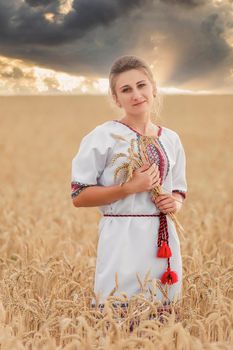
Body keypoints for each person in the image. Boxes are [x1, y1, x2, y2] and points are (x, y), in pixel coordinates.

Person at [71, 55, 187, 320]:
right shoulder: (103, 136)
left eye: (141, 85)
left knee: (163, 324)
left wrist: (175, 202)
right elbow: (78, 195)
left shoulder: (170, 139)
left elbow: (179, 188)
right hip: (121, 240)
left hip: (163, 241)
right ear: (116, 98)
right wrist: (129, 188)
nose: (136, 94)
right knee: (118, 323)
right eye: (126, 89)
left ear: (154, 88)